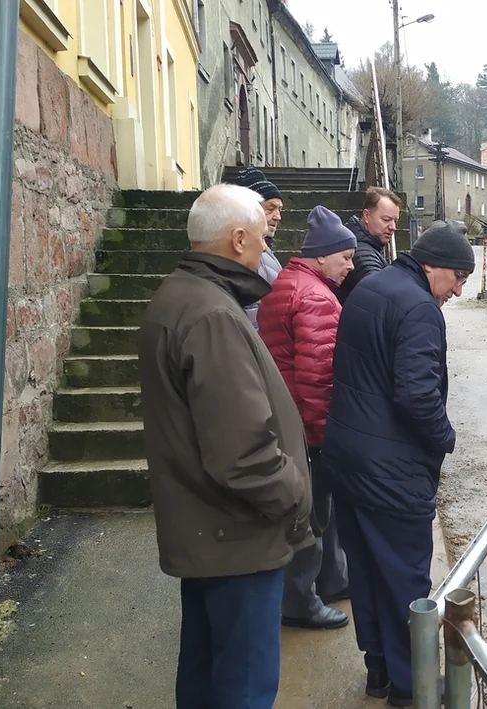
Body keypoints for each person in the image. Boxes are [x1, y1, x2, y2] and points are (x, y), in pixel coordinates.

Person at [138, 184, 313, 708]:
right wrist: (296, 495)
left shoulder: (183, 297)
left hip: (210, 530)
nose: (266, 247)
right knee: (243, 683)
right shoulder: (211, 313)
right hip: (236, 534)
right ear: (238, 239)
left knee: (206, 672)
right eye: (261, 237)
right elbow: (243, 453)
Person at [324, 220, 474, 706]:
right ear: (438, 268)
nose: (457, 291)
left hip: (347, 460)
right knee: (406, 580)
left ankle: (379, 673)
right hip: (392, 473)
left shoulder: (369, 287)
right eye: (458, 280)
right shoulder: (419, 308)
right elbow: (417, 396)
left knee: (366, 572)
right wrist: (445, 439)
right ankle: (414, 689)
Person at [257, 206, 356, 631]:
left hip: (285, 416)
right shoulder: (315, 296)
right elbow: (318, 378)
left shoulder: (285, 282)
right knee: (312, 512)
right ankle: (301, 602)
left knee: (316, 510)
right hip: (306, 425)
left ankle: (330, 579)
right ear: (322, 255)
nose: (351, 266)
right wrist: (323, 437)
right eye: (346, 258)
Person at [228, 167, 285, 330]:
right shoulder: (243, 251)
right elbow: (251, 312)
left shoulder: (264, 248)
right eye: (270, 208)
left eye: (280, 209)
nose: (278, 216)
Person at [336, 186, 402, 305]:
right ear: (366, 216)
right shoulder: (358, 250)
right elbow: (381, 292)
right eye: (386, 219)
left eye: (395, 221)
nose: (393, 227)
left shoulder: (362, 243)